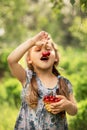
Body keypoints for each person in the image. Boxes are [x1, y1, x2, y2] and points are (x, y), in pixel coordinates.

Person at [7, 31, 78, 130]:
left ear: (56, 58)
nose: (44, 52)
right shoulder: (27, 77)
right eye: (38, 50)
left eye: (48, 49)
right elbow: (11, 60)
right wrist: (32, 42)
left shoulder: (64, 83)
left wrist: (67, 105)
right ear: (29, 59)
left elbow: (74, 111)